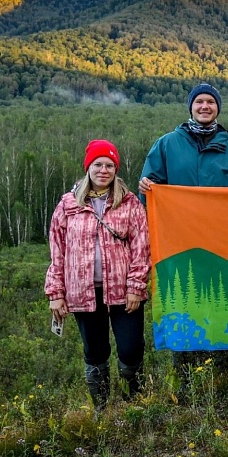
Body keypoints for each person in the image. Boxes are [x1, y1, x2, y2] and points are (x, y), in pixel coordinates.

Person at [139, 82, 228, 396]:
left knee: (222, 304)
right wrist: (147, 188)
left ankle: (223, 374)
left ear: (218, 108)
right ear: (190, 107)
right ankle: (186, 378)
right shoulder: (166, 144)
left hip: (223, 246)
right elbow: (149, 192)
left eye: (211, 103)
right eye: (199, 102)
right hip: (179, 245)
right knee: (183, 305)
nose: (205, 107)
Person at [45, 140, 151, 412]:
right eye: (98, 164)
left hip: (123, 291)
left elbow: (142, 248)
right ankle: (102, 409)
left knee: (131, 349)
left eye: (110, 165)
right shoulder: (68, 205)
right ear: (88, 167)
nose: (104, 170)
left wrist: (136, 287)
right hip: (83, 293)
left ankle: (134, 402)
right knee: (95, 352)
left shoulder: (129, 204)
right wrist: (56, 293)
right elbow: (58, 252)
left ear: (116, 169)